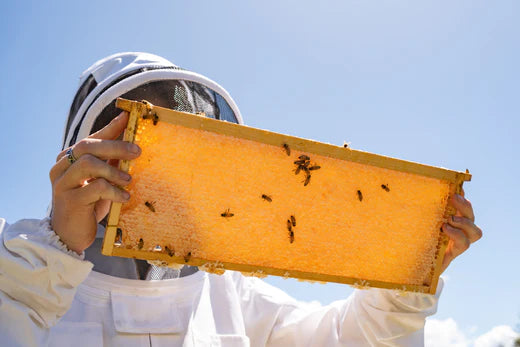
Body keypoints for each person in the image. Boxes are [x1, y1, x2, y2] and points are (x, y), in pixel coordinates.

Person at [0, 52, 482, 347]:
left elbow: (358, 341)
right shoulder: (17, 278)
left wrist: (406, 270)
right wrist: (45, 264)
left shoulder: (236, 300)